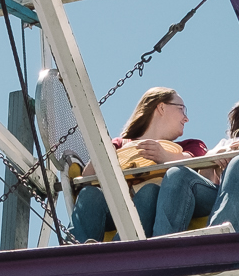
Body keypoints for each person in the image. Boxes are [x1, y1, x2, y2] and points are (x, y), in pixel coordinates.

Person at [141, 78, 239, 237]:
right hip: (227, 197)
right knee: (176, 174)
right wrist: (212, 161)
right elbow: (207, 182)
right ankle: (164, 245)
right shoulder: (226, 143)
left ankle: (216, 239)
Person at [66, 87, 208, 243]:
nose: (186, 118)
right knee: (90, 193)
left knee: (149, 192)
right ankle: (74, 252)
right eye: (182, 109)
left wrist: (164, 156)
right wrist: (105, 150)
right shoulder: (120, 144)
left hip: (155, 208)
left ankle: (118, 251)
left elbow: (194, 162)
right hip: (117, 208)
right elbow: (87, 177)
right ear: (161, 107)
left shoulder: (191, 144)